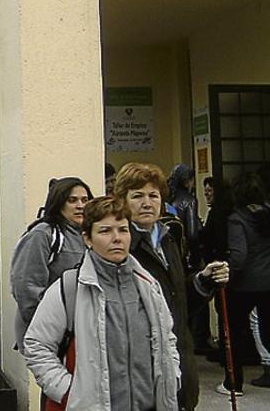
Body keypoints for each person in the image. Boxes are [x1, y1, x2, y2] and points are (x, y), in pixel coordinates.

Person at [22, 197, 180, 411]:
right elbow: (37, 345)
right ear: (87, 238)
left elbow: (167, 339)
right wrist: (69, 391)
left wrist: (173, 377)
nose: (117, 238)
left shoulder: (148, 285)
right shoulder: (70, 288)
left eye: (123, 230)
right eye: (105, 231)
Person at [113, 163, 228, 410]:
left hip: (179, 361)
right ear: (123, 200)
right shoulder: (119, 247)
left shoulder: (167, 238)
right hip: (142, 373)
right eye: (137, 195)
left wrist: (204, 279)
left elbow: (178, 301)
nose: (147, 202)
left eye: (153, 195)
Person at [10, 177, 93, 349]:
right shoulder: (43, 234)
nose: (80, 206)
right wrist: (49, 329)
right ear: (59, 202)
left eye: (85, 200)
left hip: (79, 334)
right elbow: (26, 288)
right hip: (49, 335)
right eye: (72, 200)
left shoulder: (88, 235)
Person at [220, 172, 270, 396]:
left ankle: (234, 383)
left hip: (244, 285)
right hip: (268, 283)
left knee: (235, 334)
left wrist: (227, 273)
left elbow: (239, 257)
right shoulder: (268, 213)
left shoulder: (237, 218)